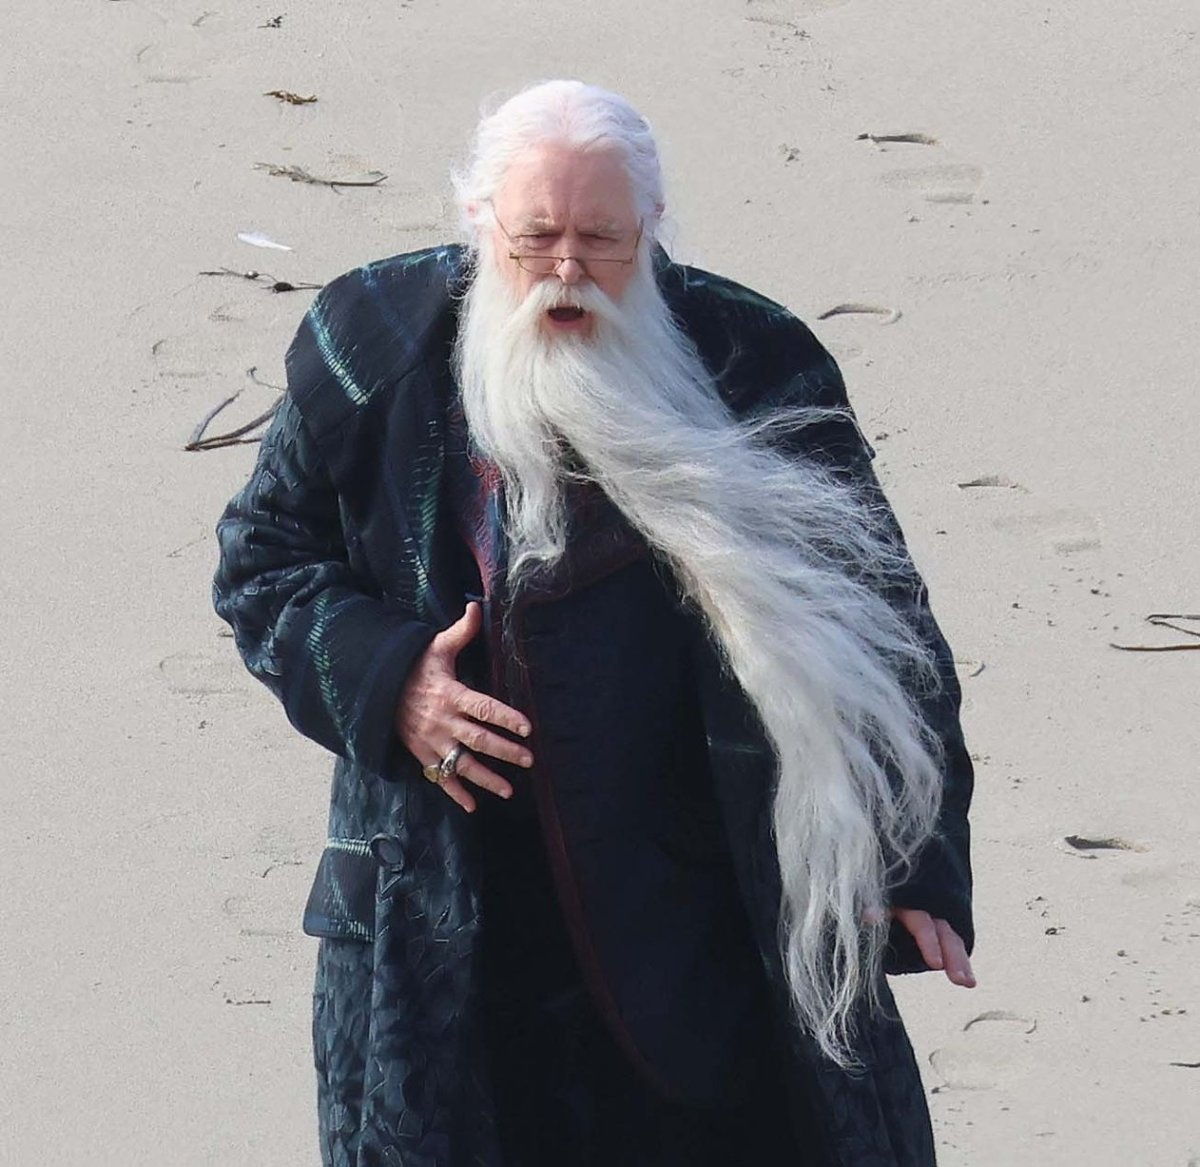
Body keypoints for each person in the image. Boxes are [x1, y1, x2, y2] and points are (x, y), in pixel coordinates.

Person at [213, 79, 975, 1167]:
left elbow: (883, 621)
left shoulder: (758, 363)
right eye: (536, 239)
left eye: (602, 241)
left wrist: (912, 858)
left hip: (710, 927)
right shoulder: (367, 347)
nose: (567, 272)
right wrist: (393, 682)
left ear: (652, 230)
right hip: (447, 928)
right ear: (479, 223)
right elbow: (263, 559)